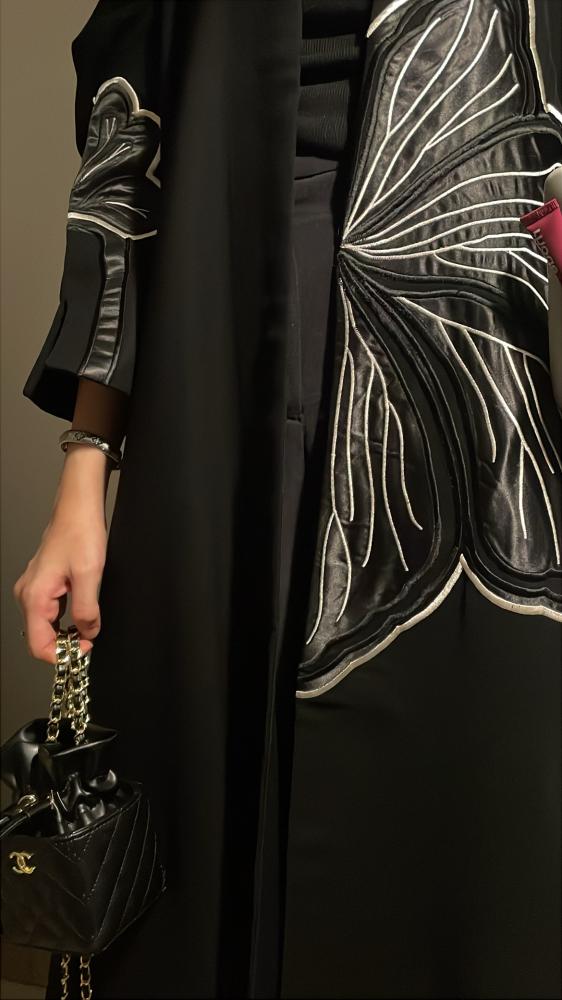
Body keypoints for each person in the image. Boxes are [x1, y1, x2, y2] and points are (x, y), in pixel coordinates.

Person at [12, 1, 562, 998]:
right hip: (224, 333)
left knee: (456, 822)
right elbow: (129, 142)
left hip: (464, 376)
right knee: (215, 803)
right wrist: (84, 472)